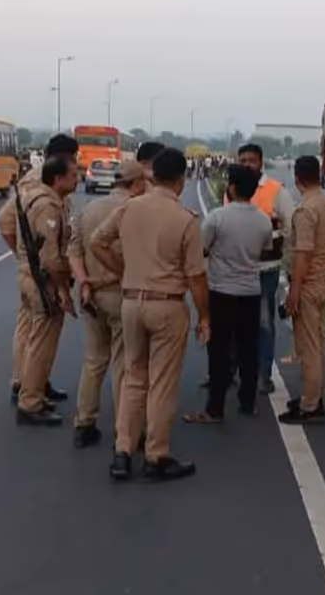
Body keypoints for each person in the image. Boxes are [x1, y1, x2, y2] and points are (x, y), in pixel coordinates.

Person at [91, 147, 209, 483]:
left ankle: (123, 451)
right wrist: (204, 316)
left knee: (133, 377)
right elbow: (196, 276)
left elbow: (98, 242)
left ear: (153, 176)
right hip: (167, 305)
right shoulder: (185, 219)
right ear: (181, 180)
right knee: (161, 383)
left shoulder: (130, 207)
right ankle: (156, 455)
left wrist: (124, 271)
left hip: (130, 302)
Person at [68, 160, 149, 448]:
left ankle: (84, 421)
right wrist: (105, 279)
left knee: (94, 360)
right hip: (121, 295)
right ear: (136, 183)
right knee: (125, 365)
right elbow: (136, 260)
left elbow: (74, 250)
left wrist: (84, 282)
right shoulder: (135, 211)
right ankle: (125, 431)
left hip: (91, 296)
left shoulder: (89, 208)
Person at [184, 164, 271, 425]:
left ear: (231, 188)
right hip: (251, 291)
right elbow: (265, 250)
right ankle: (248, 402)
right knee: (248, 349)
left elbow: (200, 250)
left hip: (221, 291)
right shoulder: (263, 220)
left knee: (219, 351)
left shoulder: (217, 218)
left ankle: (215, 408)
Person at [0, 134, 80, 407]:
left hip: (32, 270)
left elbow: (9, 224)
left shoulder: (35, 181)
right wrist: (29, 257)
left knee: (28, 330)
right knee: (39, 335)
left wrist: (25, 257)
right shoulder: (39, 185)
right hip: (41, 273)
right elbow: (6, 222)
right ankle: (30, 389)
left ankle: (28, 382)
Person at [279, 155, 325, 425]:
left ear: (297, 178)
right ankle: (314, 395)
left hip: (308, 285)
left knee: (308, 348)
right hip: (324, 282)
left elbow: (303, 254)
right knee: (318, 343)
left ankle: (310, 406)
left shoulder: (305, 210)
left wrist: (294, 292)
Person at [230, 143, 295, 394]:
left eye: (252, 160)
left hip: (265, 269)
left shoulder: (276, 191)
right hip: (237, 270)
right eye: (243, 160)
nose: (247, 164)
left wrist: (275, 242)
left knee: (263, 324)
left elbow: (291, 226)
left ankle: (263, 375)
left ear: (261, 162)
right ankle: (233, 371)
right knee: (235, 323)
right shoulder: (231, 190)